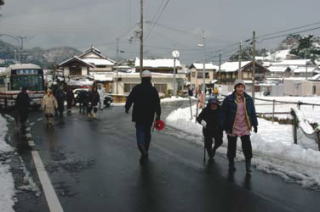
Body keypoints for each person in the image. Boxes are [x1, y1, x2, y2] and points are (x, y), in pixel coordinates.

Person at [222, 79, 258, 174]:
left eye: (242, 87)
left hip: (244, 126)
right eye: (238, 87)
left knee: (247, 146)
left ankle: (248, 164)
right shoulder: (228, 99)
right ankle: (231, 163)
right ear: (235, 88)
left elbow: (252, 113)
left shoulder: (249, 99)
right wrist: (223, 125)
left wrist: (255, 124)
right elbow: (223, 113)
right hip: (232, 126)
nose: (240, 89)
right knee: (231, 147)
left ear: (244, 88)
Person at [125, 70, 161, 159]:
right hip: (149, 116)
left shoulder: (137, 88)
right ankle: (146, 150)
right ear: (150, 78)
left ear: (142, 78)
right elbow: (157, 103)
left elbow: (130, 99)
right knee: (147, 132)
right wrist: (158, 115)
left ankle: (141, 147)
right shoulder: (153, 90)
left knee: (140, 131)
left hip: (138, 115)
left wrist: (127, 107)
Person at [197, 96, 224, 161]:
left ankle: (214, 149)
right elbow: (199, 118)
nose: (213, 105)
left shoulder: (221, 110)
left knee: (219, 142)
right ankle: (210, 153)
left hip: (218, 129)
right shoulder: (206, 110)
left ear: (217, 104)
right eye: (212, 104)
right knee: (208, 144)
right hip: (208, 129)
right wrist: (202, 122)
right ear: (209, 104)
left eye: (215, 104)